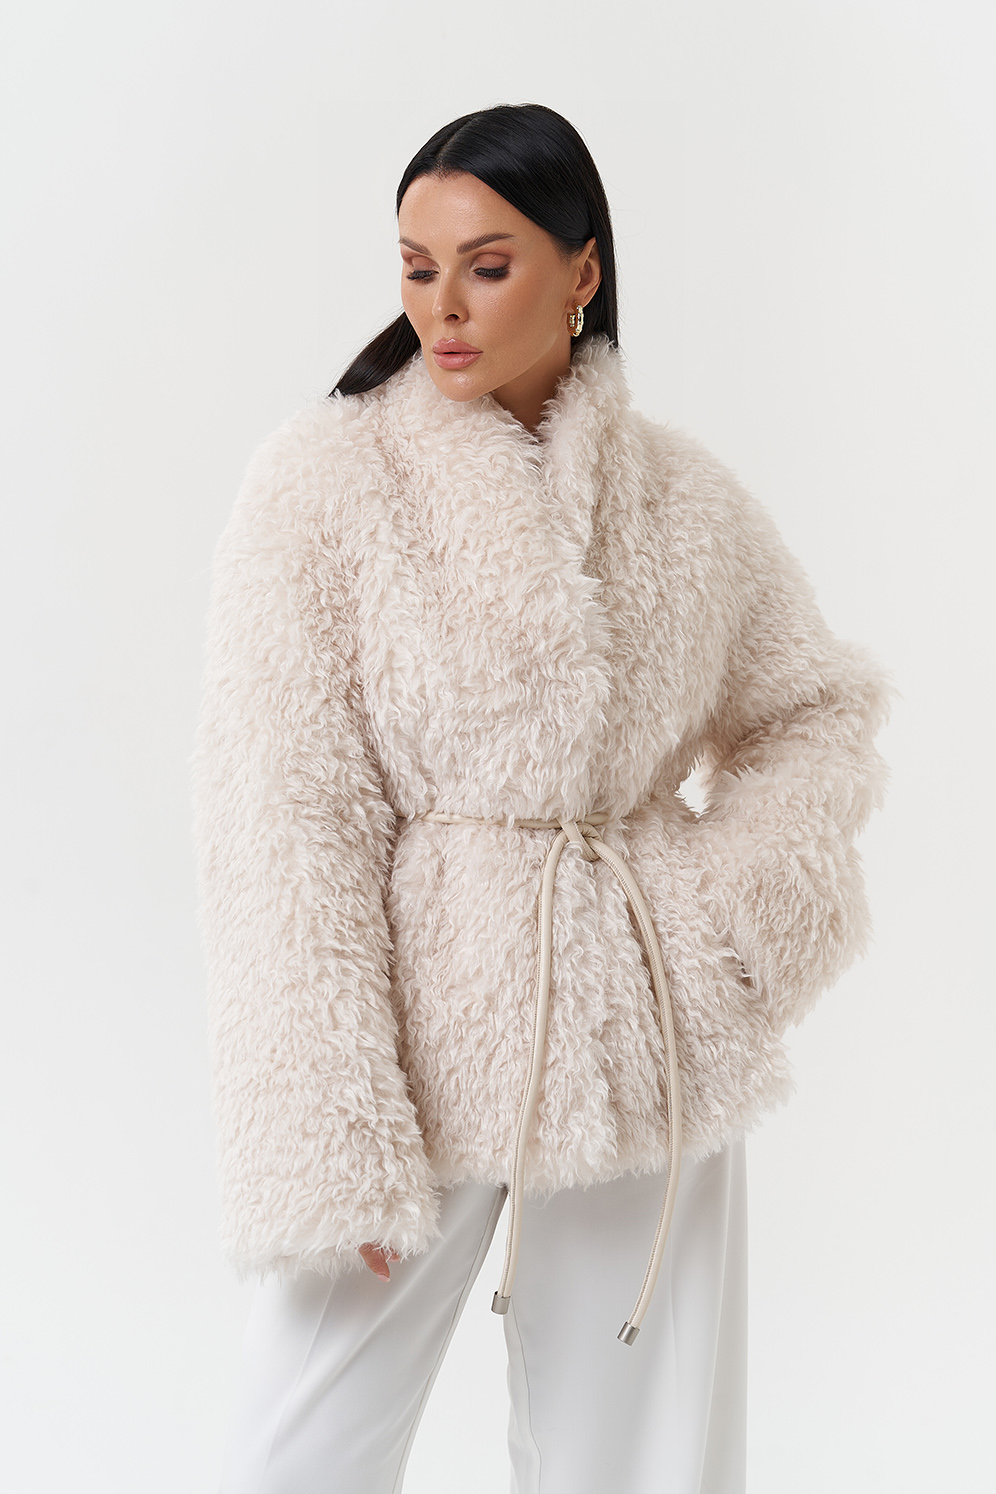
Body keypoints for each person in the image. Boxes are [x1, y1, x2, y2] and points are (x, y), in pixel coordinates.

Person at [191, 103, 893, 1494]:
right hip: (418, 1030)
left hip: (646, 1026)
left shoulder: (682, 500)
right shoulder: (324, 489)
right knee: (293, 1451)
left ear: (582, 272)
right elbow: (284, 826)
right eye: (416, 268)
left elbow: (814, 710)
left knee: (643, 1457)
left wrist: (726, 936)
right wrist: (334, 1136)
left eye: (487, 265)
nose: (441, 308)